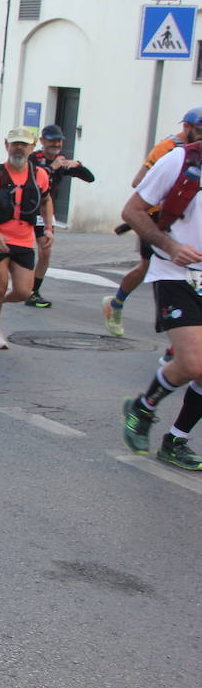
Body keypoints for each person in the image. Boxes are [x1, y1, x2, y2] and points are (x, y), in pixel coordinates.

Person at [121, 123, 202, 470]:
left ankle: (176, 440)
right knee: (194, 362)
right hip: (176, 273)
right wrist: (170, 245)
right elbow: (132, 211)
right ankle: (143, 407)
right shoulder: (180, 161)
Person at [103, 109, 202, 336]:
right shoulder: (169, 150)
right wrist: (174, 194)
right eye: (195, 127)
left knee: (145, 267)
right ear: (187, 127)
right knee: (150, 266)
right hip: (158, 224)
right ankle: (116, 304)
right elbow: (138, 182)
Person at [0, 126, 53, 350]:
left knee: (25, 291)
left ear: (32, 148)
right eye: (15, 144)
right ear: (7, 146)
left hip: (24, 240)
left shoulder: (40, 175)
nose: (19, 148)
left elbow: (45, 201)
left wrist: (48, 229)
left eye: (24, 144)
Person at [24, 124, 95, 308]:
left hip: (44, 212)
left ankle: (33, 292)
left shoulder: (61, 162)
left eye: (59, 141)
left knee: (45, 252)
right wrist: (51, 168)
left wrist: (77, 165)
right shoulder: (32, 158)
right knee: (14, 248)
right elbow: (31, 181)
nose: (56, 144)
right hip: (23, 209)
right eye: (51, 140)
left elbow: (89, 178)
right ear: (42, 141)